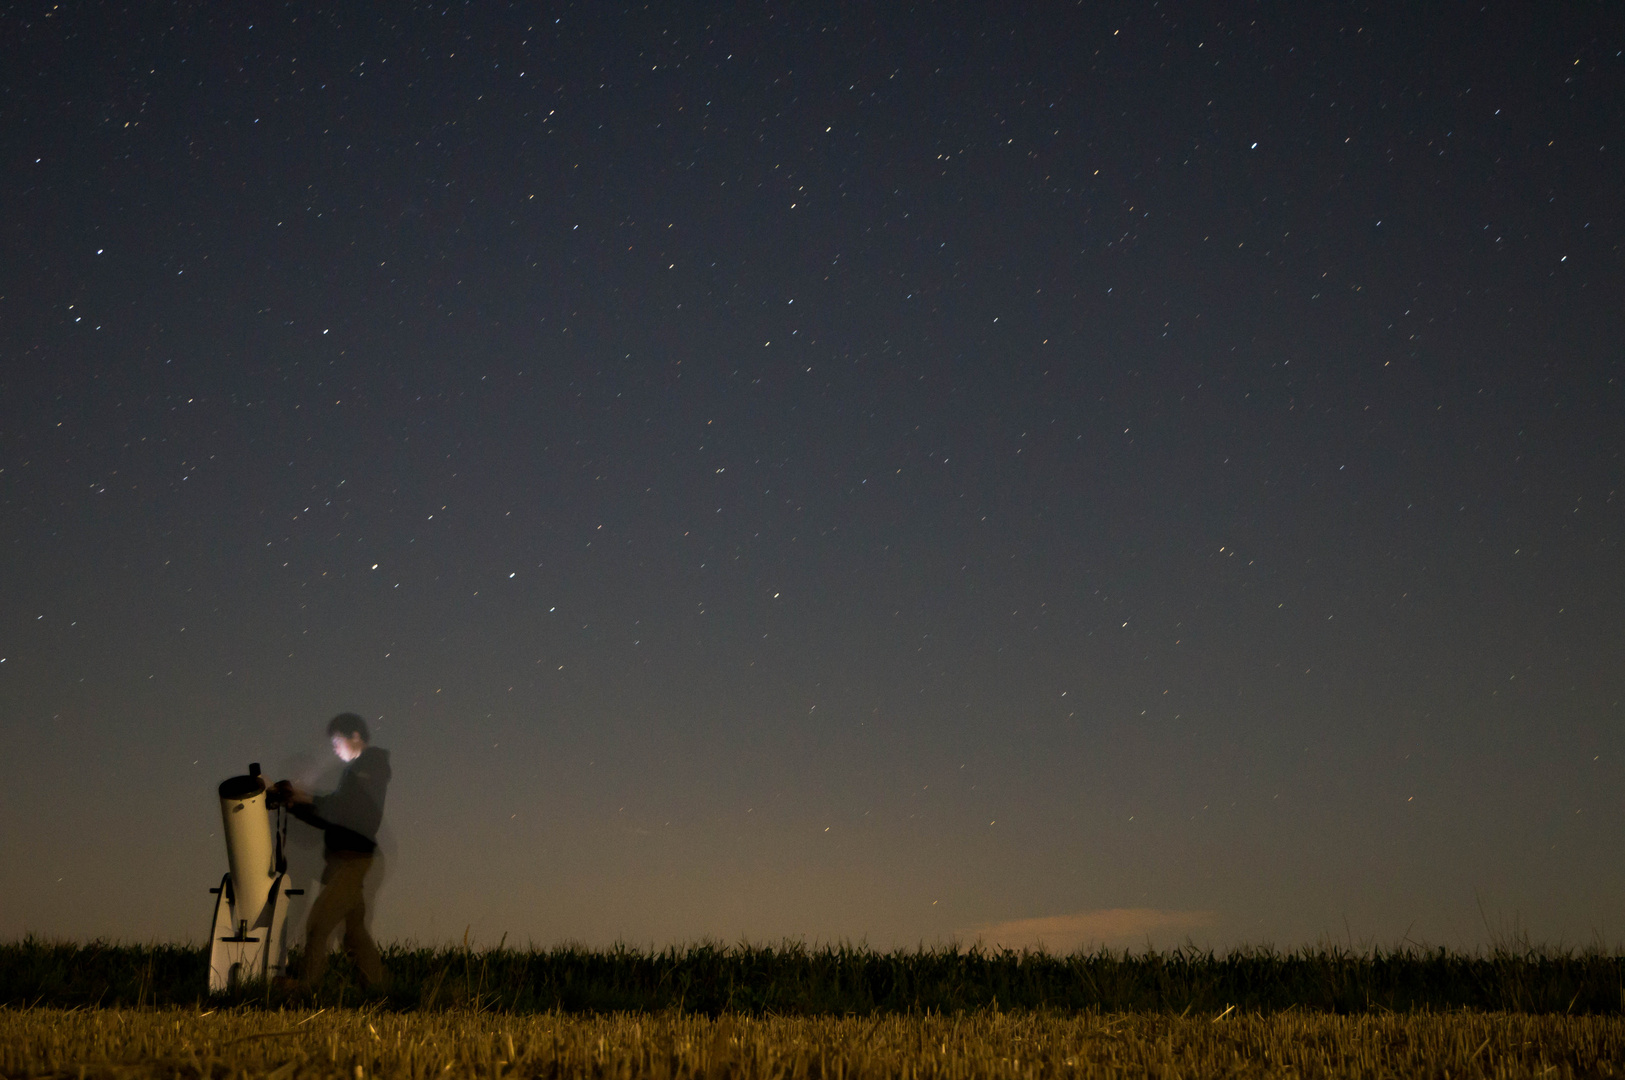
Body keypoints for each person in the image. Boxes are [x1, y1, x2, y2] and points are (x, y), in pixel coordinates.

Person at [273, 713, 391, 990]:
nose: (335, 749)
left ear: (355, 737)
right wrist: (299, 802)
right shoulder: (358, 772)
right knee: (354, 935)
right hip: (344, 861)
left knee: (318, 923)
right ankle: (379, 992)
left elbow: (343, 810)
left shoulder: (370, 767)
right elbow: (337, 809)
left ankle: (306, 988)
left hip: (353, 860)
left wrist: (304, 799)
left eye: (337, 741)